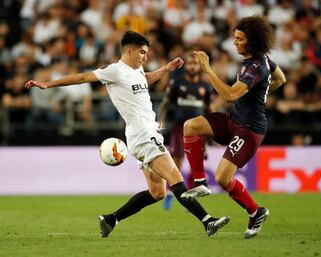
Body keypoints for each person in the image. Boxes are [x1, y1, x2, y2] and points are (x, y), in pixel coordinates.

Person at [25, 31, 230, 238]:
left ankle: (110, 219)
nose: (145, 57)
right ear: (129, 51)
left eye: (147, 53)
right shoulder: (114, 71)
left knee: (157, 193)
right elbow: (82, 77)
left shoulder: (137, 69)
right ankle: (208, 221)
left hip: (146, 133)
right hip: (142, 134)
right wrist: (48, 84)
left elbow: (145, 79)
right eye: (142, 52)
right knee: (175, 177)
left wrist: (166, 68)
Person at [181, 16, 286, 239]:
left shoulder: (256, 67)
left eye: (240, 39)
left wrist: (208, 70)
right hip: (235, 119)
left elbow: (229, 94)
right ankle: (199, 182)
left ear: (252, 42)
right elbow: (281, 79)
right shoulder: (264, 61)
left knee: (223, 178)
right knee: (191, 126)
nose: (235, 42)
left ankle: (256, 212)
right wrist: (262, 94)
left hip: (249, 129)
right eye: (235, 37)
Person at [158, 51, 214, 210]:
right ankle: (170, 194)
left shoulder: (205, 86)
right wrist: (160, 121)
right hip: (179, 128)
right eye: (190, 63)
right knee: (177, 161)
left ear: (199, 67)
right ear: (186, 65)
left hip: (199, 129)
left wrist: (212, 132)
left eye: (195, 64)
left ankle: (190, 197)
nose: (192, 66)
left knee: (195, 164)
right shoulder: (176, 82)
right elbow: (166, 103)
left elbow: (210, 109)